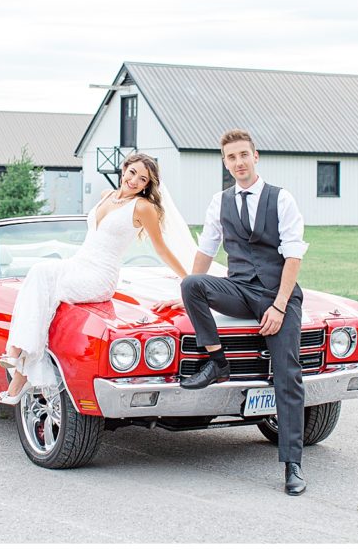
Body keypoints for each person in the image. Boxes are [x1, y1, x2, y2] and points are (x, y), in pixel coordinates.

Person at [152, 129, 310, 496]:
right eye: (231, 157)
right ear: (225, 162)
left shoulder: (281, 199)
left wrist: (279, 305)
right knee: (191, 284)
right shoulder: (219, 202)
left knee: (287, 374)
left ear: (256, 157)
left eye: (243, 155)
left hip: (276, 291)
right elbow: (205, 252)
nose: (238, 162)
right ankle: (217, 362)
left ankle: (292, 465)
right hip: (239, 288)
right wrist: (189, 296)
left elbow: (294, 255)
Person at [0, 153, 189, 404]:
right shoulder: (106, 196)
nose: (134, 181)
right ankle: (19, 367)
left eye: (143, 180)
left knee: (45, 288)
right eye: (133, 173)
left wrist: (188, 279)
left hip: (100, 276)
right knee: (37, 275)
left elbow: (161, 248)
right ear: (124, 169)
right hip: (78, 264)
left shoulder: (143, 207)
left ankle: (18, 364)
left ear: (147, 186)